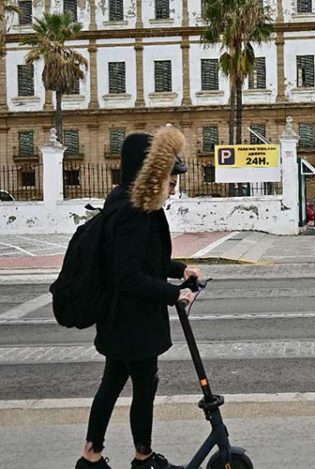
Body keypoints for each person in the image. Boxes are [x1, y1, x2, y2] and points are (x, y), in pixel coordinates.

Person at [76, 127, 201, 469]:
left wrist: (179, 269)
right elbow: (127, 275)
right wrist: (175, 293)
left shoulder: (127, 205)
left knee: (112, 383)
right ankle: (143, 458)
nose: (175, 187)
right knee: (144, 387)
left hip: (121, 319)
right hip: (133, 322)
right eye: (170, 181)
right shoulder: (136, 214)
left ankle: (91, 456)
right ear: (149, 176)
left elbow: (143, 260)